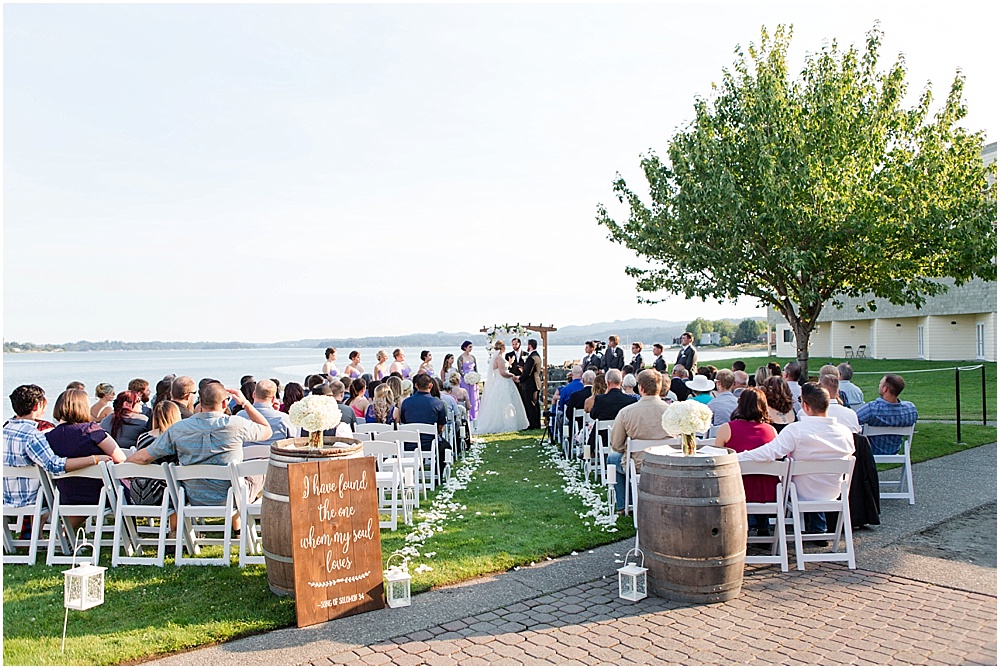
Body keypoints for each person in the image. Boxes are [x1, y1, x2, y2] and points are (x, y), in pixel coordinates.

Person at [126, 382, 272, 529]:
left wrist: (123, 466)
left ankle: (238, 528)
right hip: (232, 497)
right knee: (263, 473)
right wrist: (245, 403)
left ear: (200, 402)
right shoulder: (236, 425)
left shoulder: (178, 429)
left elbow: (145, 457)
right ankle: (244, 528)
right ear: (224, 403)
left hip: (193, 497)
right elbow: (267, 430)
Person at [736, 383, 855, 536]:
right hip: (834, 493)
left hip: (799, 493)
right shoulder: (845, 432)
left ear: (805, 406)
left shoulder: (796, 430)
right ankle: (818, 529)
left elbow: (769, 452)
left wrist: (737, 457)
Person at [46, 390, 127, 518]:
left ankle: (65, 530)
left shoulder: (48, 437)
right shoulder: (90, 430)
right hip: (100, 494)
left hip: (66, 494)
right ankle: (129, 529)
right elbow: (120, 458)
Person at [715, 388, 779, 534]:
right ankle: (763, 527)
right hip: (767, 492)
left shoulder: (727, 429)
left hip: (736, 489)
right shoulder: (771, 431)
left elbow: (718, 459)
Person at [607, 370, 670, 513]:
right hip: (667, 462)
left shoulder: (626, 412)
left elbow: (616, 445)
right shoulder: (670, 411)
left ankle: (625, 504)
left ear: (640, 388)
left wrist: (628, 448)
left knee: (612, 458)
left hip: (637, 465)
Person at [131, 401, 182, 507]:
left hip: (138, 491)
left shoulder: (143, 437)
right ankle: (176, 518)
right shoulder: (176, 439)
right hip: (163, 493)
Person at [475, 341, 529, 434]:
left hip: (499, 382)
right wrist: (512, 375)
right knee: (505, 402)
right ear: (502, 348)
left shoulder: (497, 358)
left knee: (501, 403)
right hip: (503, 382)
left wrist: (509, 364)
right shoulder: (499, 358)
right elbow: (503, 373)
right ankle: (505, 423)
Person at [856, 374, 918, 455]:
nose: (879, 386)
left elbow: (853, 421)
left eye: (880, 384)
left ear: (885, 389)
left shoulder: (872, 409)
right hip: (894, 451)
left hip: (870, 453)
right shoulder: (910, 409)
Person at [400, 373, 449, 470]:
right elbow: (441, 426)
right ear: (431, 386)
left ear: (416, 385)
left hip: (409, 443)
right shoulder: (438, 403)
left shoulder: (406, 402)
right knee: (446, 447)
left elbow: (404, 422)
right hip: (430, 444)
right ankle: (438, 472)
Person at [245, 380, 299, 447]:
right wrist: (276, 412)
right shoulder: (284, 419)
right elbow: (293, 441)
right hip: (274, 453)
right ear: (273, 398)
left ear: (253, 394)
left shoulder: (240, 416)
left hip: (245, 453)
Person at [516, 339, 543, 429]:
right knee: (535, 404)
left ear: (530, 345)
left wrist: (520, 379)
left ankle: (532, 424)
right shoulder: (537, 356)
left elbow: (528, 373)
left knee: (530, 405)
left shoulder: (531, 358)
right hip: (535, 383)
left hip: (530, 385)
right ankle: (537, 424)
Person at [457, 341, 480, 421]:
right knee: (467, 397)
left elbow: (476, 369)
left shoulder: (473, 357)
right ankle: (467, 415)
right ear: (465, 347)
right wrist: (466, 377)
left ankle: (475, 415)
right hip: (465, 380)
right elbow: (460, 370)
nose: (471, 348)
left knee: (474, 397)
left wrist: (476, 378)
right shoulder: (461, 358)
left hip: (473, 380)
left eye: (471, 347)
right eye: (469, 347)